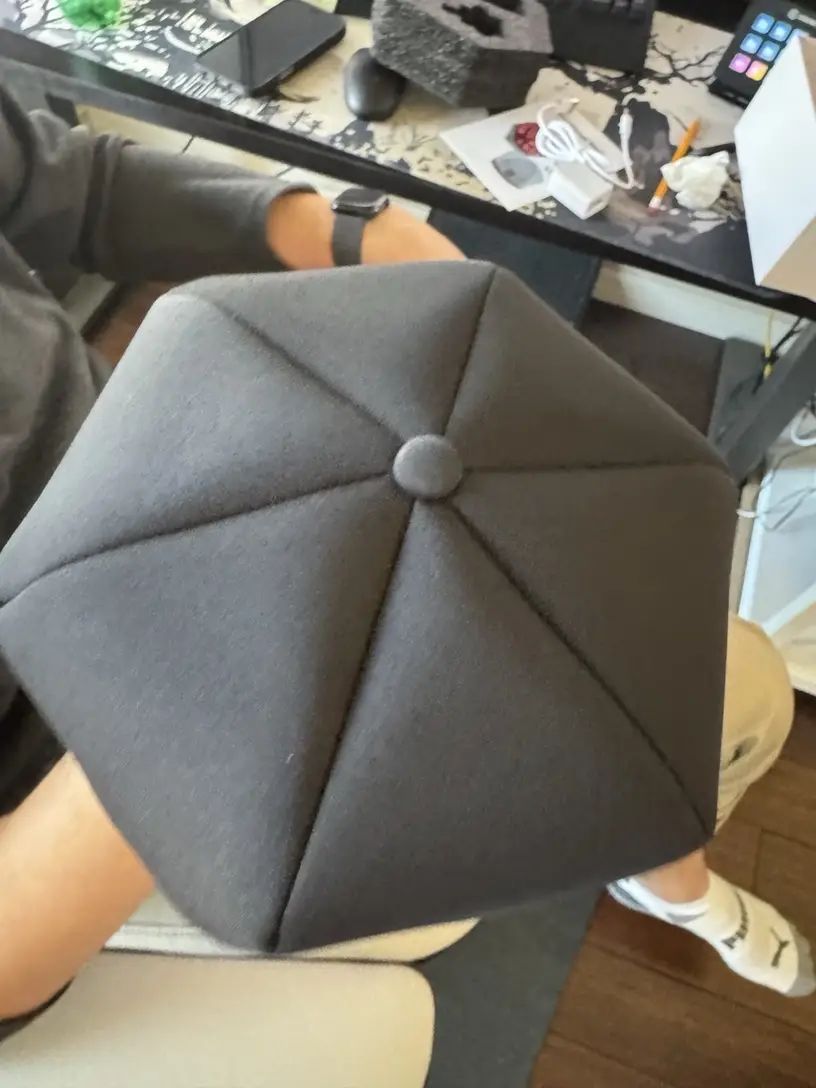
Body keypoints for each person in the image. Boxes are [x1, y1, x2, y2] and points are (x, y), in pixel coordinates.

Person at [0, 86, 811, 1047]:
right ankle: (664, 869)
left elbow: (70, 181)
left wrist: (354, 232)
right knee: (709, 700)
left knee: (708, 680)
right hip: (88, 784)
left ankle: (660, 865)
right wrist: (207, 705)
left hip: (206, 489)